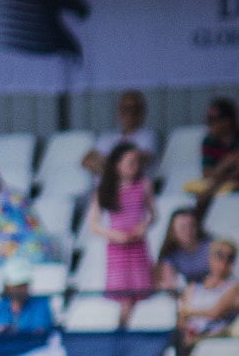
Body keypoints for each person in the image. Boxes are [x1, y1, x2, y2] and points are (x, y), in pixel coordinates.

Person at [86, 142, 154, 327]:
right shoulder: (105, 189)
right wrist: (114, 235)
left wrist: (143, 227)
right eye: (130, 162)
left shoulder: (144, 186)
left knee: (139, 297)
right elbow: (94, 225)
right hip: (118, 249)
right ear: (117, 165)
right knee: (123, 299)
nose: (135, 166)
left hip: (137, 247)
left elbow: (153, 215)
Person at [184, 97, 239, 200]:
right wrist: (225, 166)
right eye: (207, 119)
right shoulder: (208, 141)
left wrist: (219, 178)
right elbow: (207, 173)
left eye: (212, 119)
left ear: (226, 121)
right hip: (218, 185)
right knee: (202, 198)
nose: (208, 123)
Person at [179, 238, 239, 341]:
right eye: (219, 255)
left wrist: (188, 312)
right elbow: (181, 317)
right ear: (210, 257)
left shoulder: (234, 287)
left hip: (214, 337)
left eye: (230, 257)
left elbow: (215, 312)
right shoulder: (193, 287)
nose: (224, 261)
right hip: (190, 335)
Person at [82, 90, 156, 175]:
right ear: (118, 111)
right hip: (102, 187)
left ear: (142, 112)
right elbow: (86, 161)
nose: (130, 114)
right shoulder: (107, 137)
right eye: (126, 109)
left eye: (135, 109)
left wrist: (104, 164)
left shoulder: (148, 136)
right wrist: (118, 164)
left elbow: (140, 160)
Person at [0, 257, 53, 335]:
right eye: (16, 285)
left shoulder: (40, 304)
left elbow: (40, 332)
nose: (21, 289)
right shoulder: (0, 308)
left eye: (23, 284)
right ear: (7, 286)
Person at [156, 209, 212, 290]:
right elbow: (170, 284)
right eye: (182, 227)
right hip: (188, 294)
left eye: (191, 225)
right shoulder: (170, 254)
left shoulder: (210, 245)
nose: (188, 231)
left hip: (214, 290)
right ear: (173, 231)